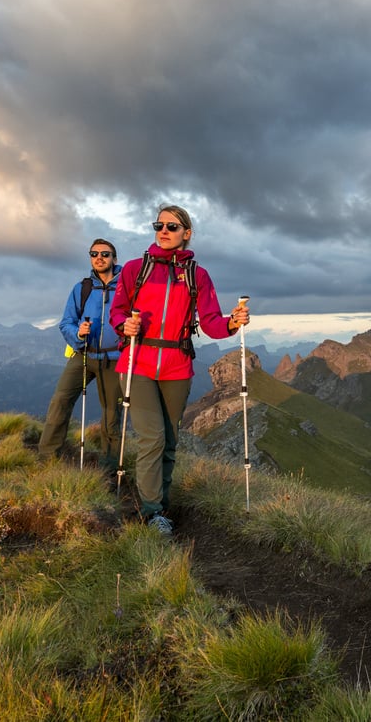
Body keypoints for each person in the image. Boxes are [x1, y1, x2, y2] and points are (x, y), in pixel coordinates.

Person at [110, 205, 249, 533]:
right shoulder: (134, 269)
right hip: (137, 361)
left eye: (172, 226)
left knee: (170, 440)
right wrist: (123, 325)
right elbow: (117, 310)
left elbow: (212, 322)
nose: (163, 230)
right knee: (153, 437)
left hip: (177, 366)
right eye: (159, 224)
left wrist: (232, 322)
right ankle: (150, 510)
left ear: (186, 233)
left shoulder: (197, 275)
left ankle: (162, 504)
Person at [38, 238, 125, 469]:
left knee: (111, 415)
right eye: (94, 253)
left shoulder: (128, 287)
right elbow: (66, 322)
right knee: (61, 401)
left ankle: (110, 465)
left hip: (115, 358)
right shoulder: (83, 288)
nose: (99, 258)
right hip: (83, 355)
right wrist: (78, 333)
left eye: (105, 254)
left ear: (114, 259)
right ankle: (47, 457)